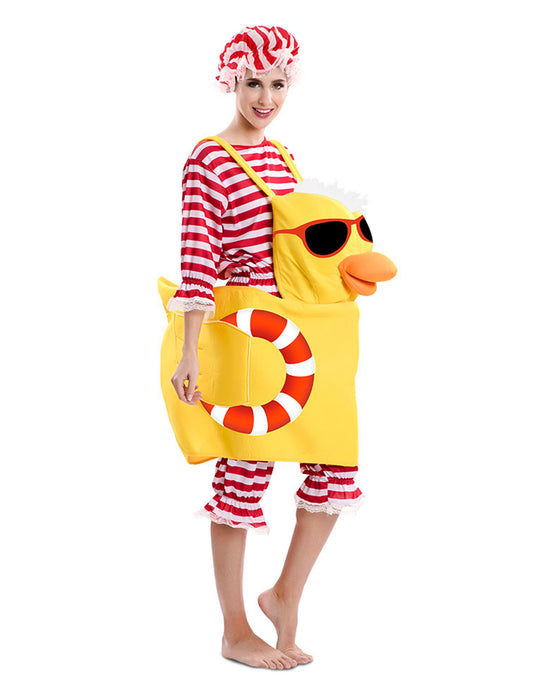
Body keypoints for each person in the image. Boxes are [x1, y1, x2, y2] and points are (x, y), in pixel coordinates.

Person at [168, 25, 365, 670]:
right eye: (253, 82)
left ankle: (283, 597)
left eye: (278, 84)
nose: (265, 98)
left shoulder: (282, 156)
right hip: (247, 337)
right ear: (232, 81)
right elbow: (198, 259)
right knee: (245, 472)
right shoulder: (209, 160)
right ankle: (234, 630)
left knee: (334, 467)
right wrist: (190, 351)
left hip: (302, 331)